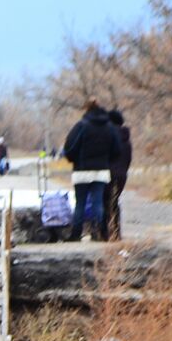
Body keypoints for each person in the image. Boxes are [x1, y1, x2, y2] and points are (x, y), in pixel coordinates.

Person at [61, 99, 121, 242]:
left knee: (80, 203)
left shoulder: (81, 125)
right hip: (101, 171)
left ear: (87, 110)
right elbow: (117, 149)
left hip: (81, 171)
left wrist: (72, 159)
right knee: (97, 202)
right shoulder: (109, 127)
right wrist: (107, 160)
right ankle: (98, 233)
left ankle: (76, 234)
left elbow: (69, 146)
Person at [106, 111, 132, 240]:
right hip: (122, 174)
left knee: (106, 202)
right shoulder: (127, 140)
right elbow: (128, 160)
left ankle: (107, 232)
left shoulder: (108, 137)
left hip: (108, 173)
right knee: (115, 201)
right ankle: (116, 232)